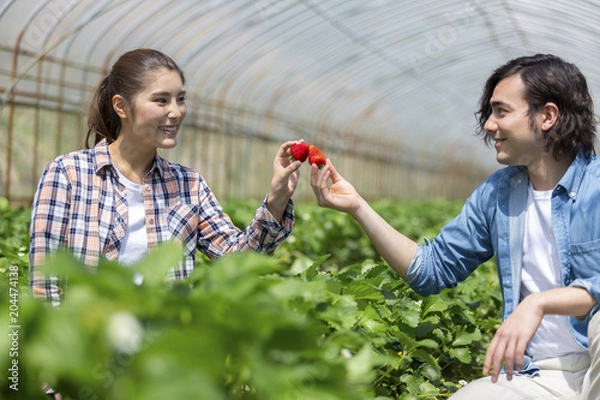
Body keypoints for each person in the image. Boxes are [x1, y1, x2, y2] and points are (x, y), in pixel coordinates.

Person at [311, 53, 600, 399]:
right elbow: (431, 270)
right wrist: (359, 208)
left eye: (501, 111)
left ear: (547, 116)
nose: (490, 125)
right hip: (540, 374)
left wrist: (539, 302)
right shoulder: (498, 193)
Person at [29, 48, 303, 306]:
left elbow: (238, 261)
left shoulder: (188, 185)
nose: (176, 112)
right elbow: (44, 282)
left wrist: (277, 200)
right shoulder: (68, 174)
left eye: (180, 99)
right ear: (121, 107)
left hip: (163, 348)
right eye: (161, 100)